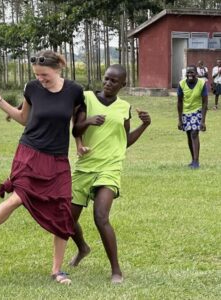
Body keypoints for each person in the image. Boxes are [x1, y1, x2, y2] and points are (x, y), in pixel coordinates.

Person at [0, 50, 85, 285]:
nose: (41, 79)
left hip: (57, 160)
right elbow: (23, 118)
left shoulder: (75, 91)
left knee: (62, 211)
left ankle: (57, 271)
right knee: (17, 198)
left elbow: (77, 121)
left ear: (58, 68)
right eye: (37, 75)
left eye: (44, 75)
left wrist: (79, 143)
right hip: (29, 153)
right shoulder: (32, 88)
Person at [69, 64, 151, 284]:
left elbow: (124, 142)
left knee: (101, 217)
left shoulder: (124, 107)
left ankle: (116, 271)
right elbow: (75, 130)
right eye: (106, 79)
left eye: (114, 81)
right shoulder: (87, 98)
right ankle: (83, 248)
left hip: (110, 167)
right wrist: (88, 122)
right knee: (67, 219)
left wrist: (144, 126)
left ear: (123, 85)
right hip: (85, 166)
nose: (108, 83)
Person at [177, 65, 208, 169]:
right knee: (189, 136)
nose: (190, 74)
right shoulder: (181, 84)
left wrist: (203, 121)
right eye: (188, 72)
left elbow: (205, 102)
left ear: (196, 73)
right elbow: (179, 102)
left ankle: (196, 161)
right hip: (186, 112)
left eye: (192, 72)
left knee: (194, 133)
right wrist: (180, 120)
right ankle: (193, 160)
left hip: (198, 110)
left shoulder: (202, 83)